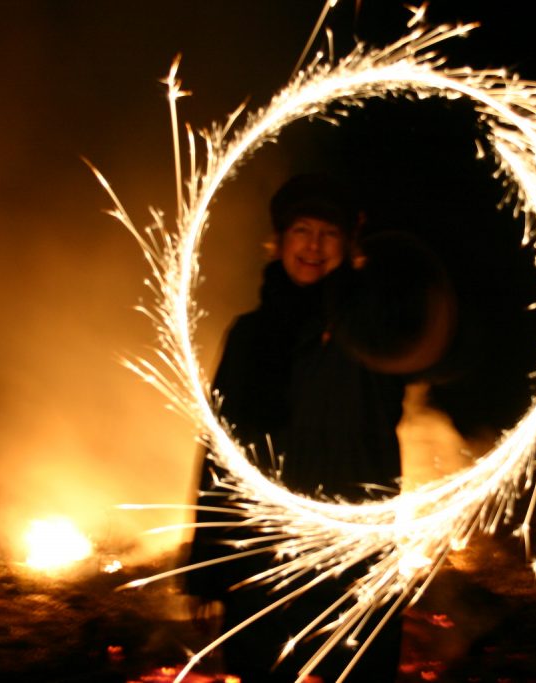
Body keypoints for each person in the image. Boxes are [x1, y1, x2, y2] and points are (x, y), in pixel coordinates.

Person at [183, 173, 455, 681]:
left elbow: (440, 342)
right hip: (261, 553)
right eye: (301, 231)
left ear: (348, 245)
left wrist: (375, 284)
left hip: (351, 549)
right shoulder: (250, 335)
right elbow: (220, 451)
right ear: (279, 242)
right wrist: (208, 566)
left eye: (328, 233)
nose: (313, 245)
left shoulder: (372, 326)